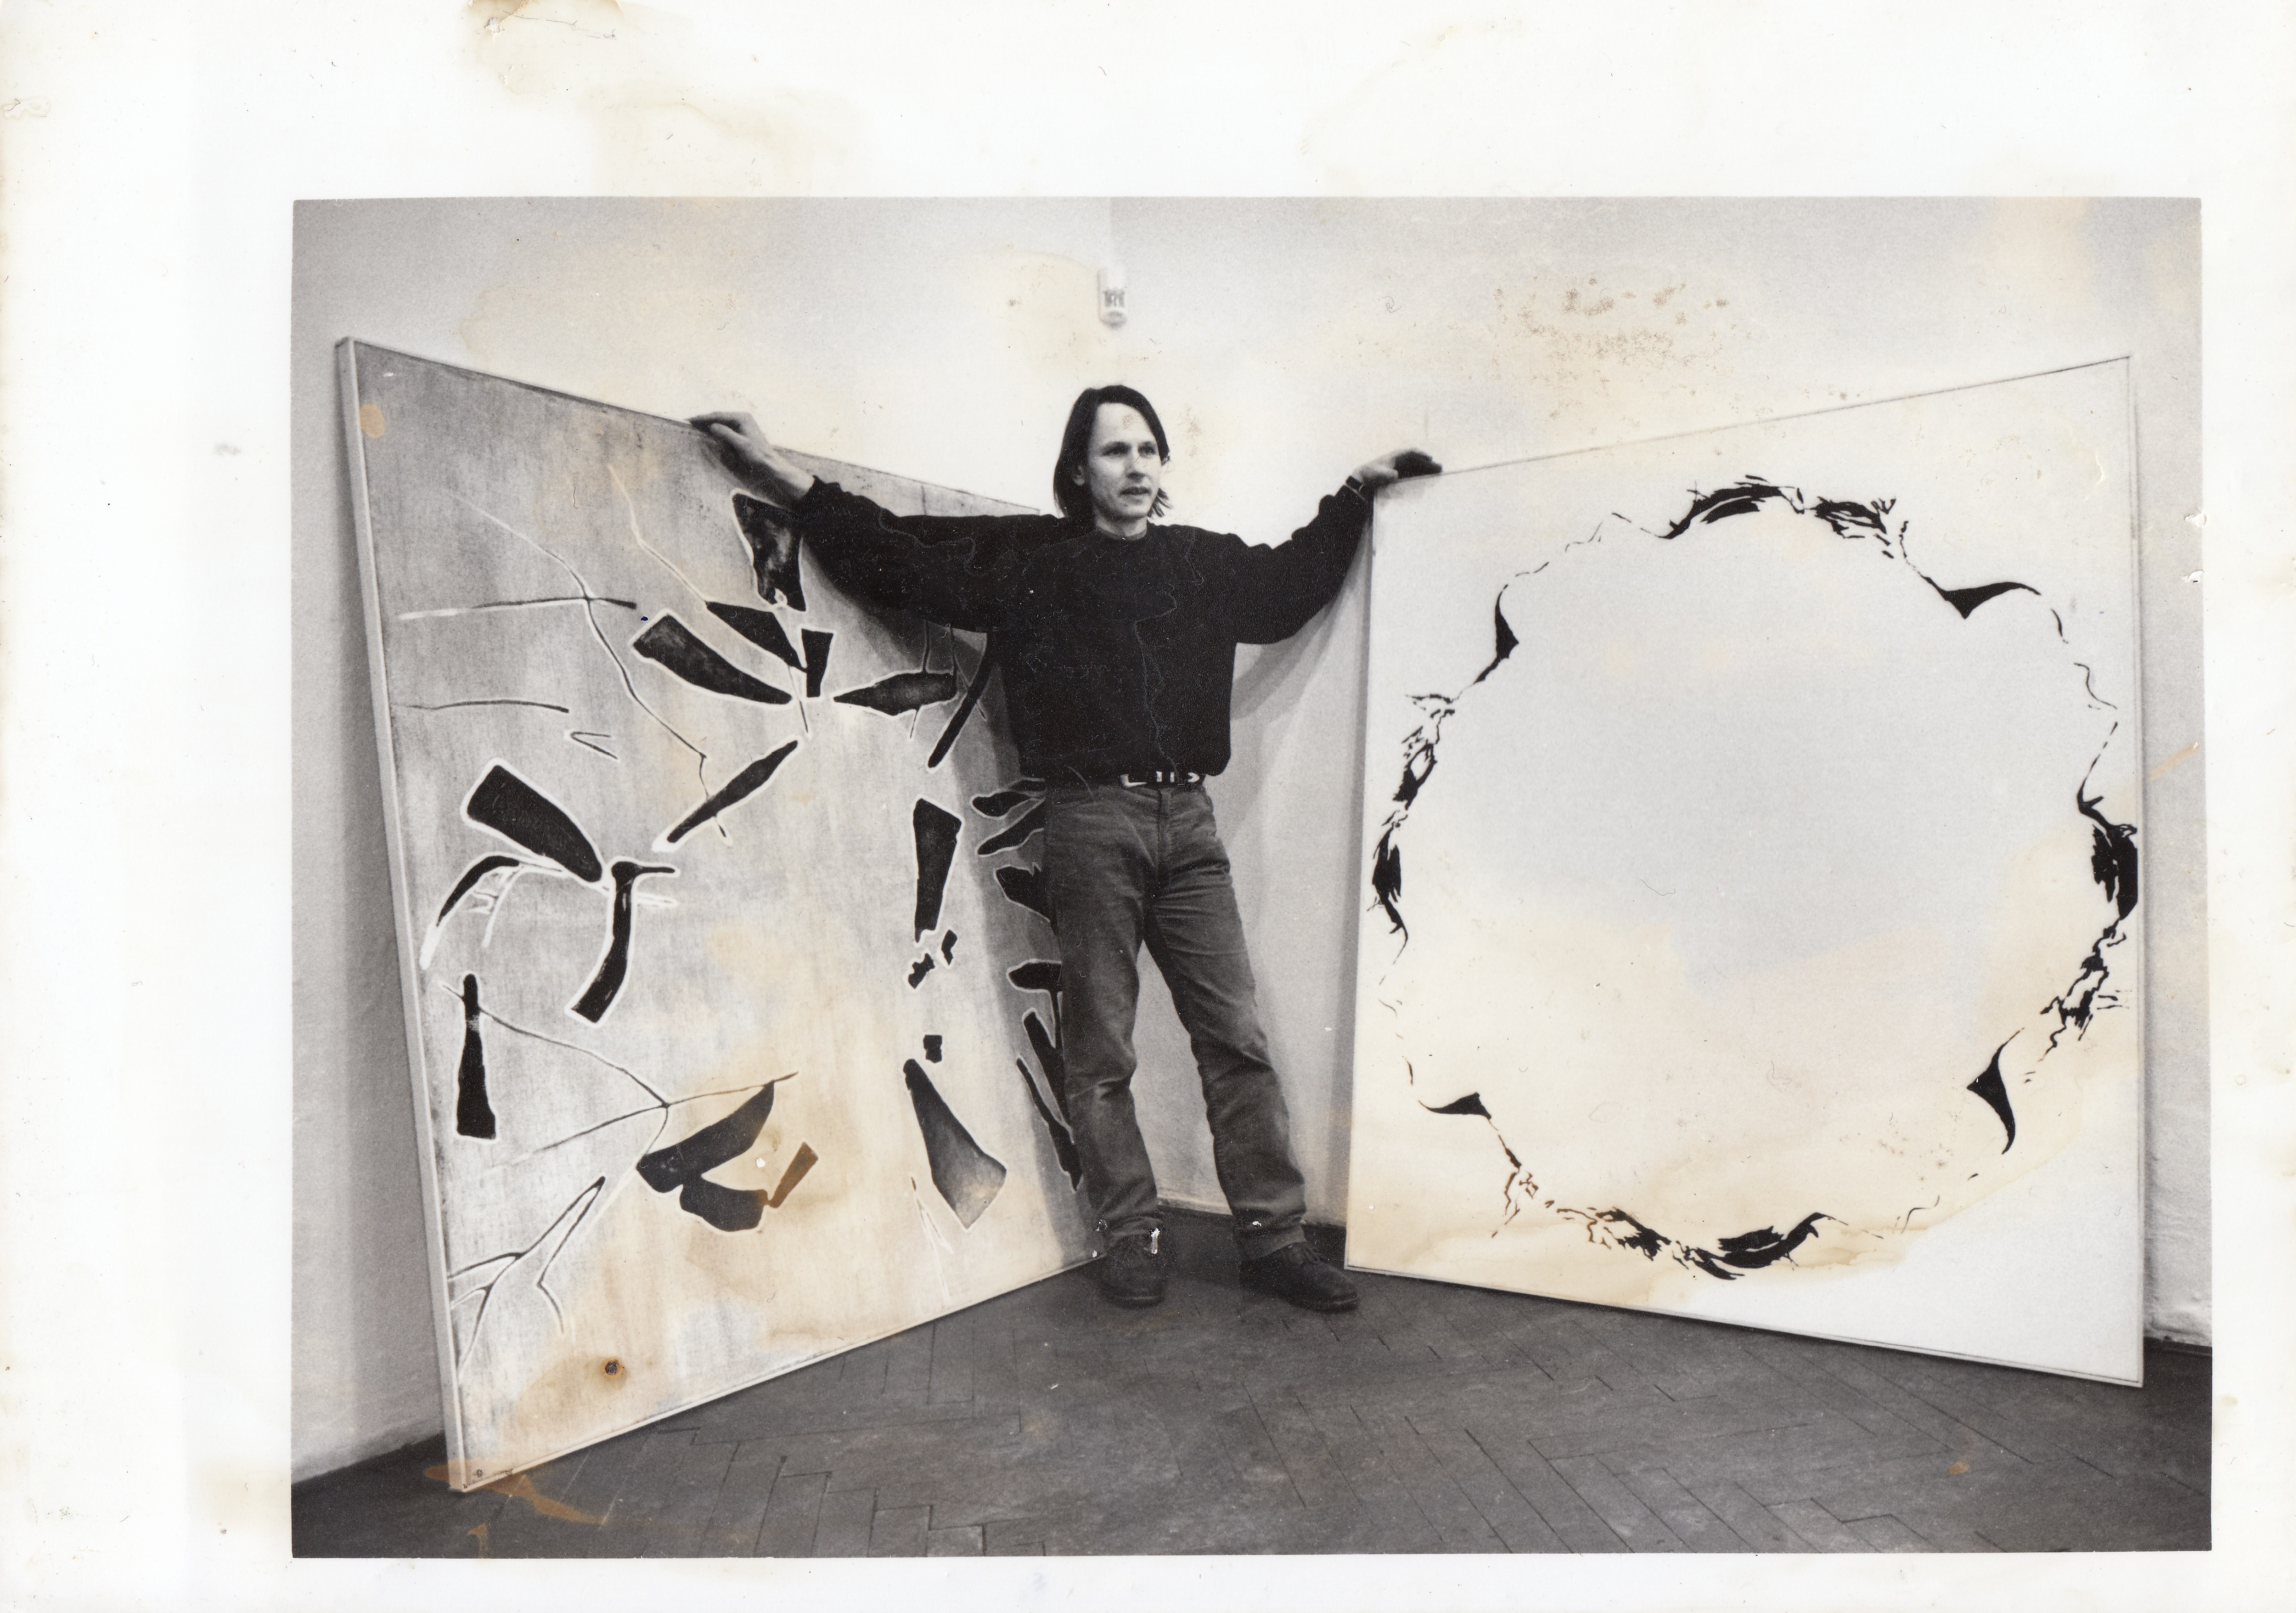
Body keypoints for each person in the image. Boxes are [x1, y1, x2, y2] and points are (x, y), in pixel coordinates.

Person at [693, 387, 1438, 1311]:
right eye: (1115, 451)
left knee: (1235, 1039)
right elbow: (904, 559)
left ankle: (1274, 1241)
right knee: (1101, 1047)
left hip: (1190, 822)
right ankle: (1131, 1234)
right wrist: (785, 479)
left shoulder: (1200, 562)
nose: (1136, 466)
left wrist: (1356, 492)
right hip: (1088, 821)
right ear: (1079, 470)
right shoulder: (1035, 562)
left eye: (1148, 449)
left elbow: (1290, 587)